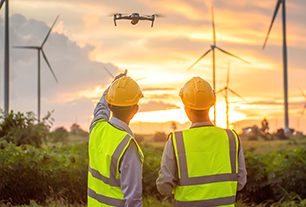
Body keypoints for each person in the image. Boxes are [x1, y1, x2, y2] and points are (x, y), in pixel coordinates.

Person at [156, 76, 247, 206]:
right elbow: (240, 183)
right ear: (211, 104)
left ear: (186, 108)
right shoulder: (232, 138)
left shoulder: (176, 141)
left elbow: (164, 187)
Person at [88, 70, 144, 207]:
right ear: (136, 109)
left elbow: (100, 109)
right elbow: (133, 200)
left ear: (110, 105)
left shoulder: (96, 129)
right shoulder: (127, 145)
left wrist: (113, 86)